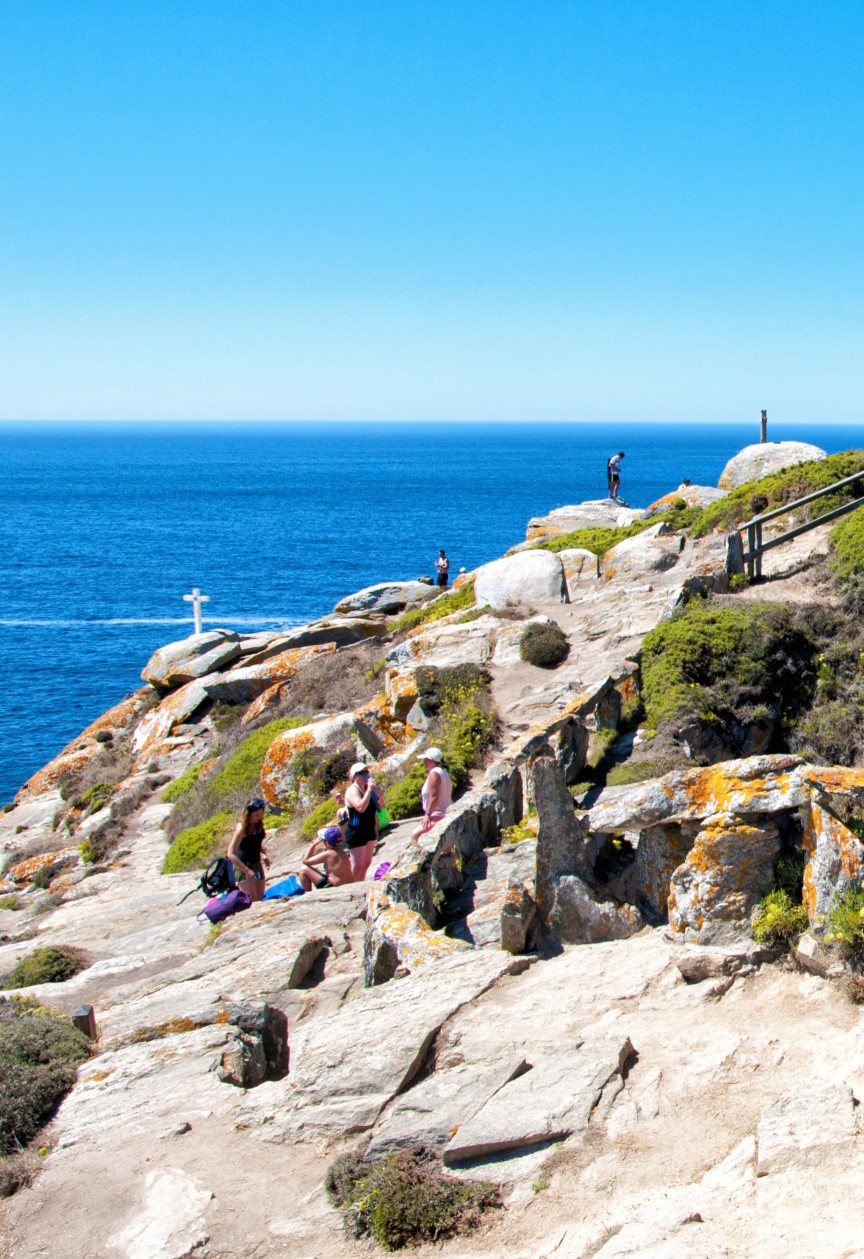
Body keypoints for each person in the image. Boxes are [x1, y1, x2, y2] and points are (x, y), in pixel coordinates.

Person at [226, 798, 271, 902]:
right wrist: (246, 870)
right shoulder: (241, 828)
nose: (259, 818)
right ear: (248, 814)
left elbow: (256, 843)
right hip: (243, 866)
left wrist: (264, 855)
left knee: (259, 899)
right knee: (251, 901)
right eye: (256, 815)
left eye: (261, 815)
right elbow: (230, 853)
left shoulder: (258, 825)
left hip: (256, 863)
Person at [344, 762, 379, 881]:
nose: (365, 775)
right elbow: (360, 807)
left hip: (369, 829)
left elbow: (381, 805)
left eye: (367, 772)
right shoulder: (352, 790)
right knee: (357, 866)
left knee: (366, 863)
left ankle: (360, 886)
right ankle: (351, 889)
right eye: (362, 773)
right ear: (355, 776)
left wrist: (373, 790)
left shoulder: (367, 789)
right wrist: (369, 790)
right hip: (356, 831)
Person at [411, 747, 453, 840]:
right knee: (445, 848)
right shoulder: (444, 772)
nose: (424, 763)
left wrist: (428, 814)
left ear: (431, 760)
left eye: (426, 760)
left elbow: (434, 797)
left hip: (438, 813)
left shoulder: (434, 773)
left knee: (415, 835)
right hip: (446, 811)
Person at [297, 825, 352, 891]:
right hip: (348, 883)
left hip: (333, 887)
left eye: (324, 840)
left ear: (327, 843)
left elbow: (305, 861)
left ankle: (308, 894)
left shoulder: (328, 854)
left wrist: (313, 845)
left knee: (303, 869)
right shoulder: (342, 851)